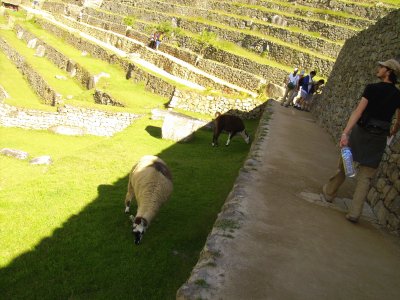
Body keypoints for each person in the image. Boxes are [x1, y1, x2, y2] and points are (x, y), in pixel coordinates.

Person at [322, 58, 400, 223]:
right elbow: (398, 117)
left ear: (389, 72)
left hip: (361, 132)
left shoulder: (372, 89)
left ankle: (329, 193)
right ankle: (354, 213)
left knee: (345, 165)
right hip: (379, 137)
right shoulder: (397, 95)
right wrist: (394, 129)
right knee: (366, 176)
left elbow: (358, 112)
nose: (378, 68)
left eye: (382, 67)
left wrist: (345, 133)